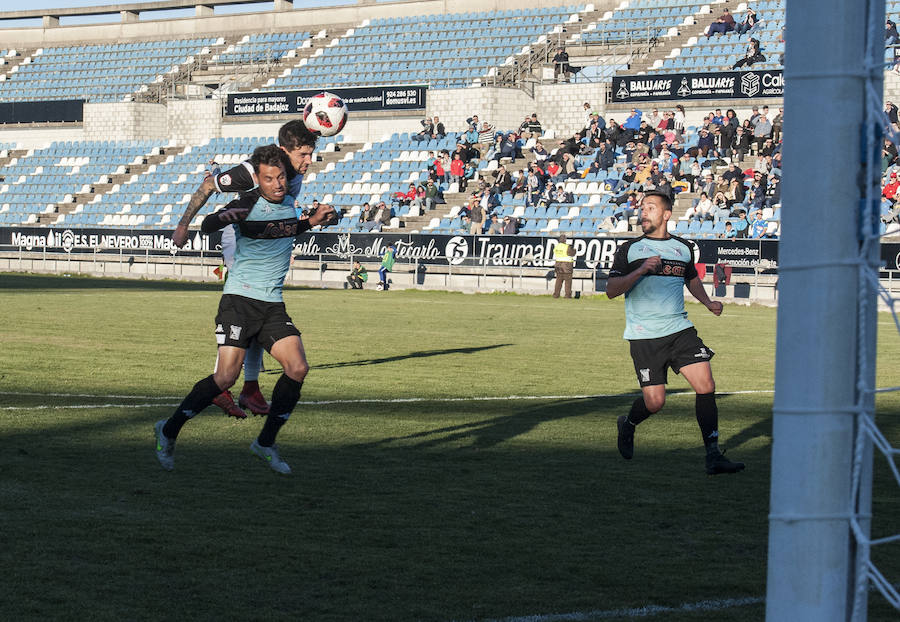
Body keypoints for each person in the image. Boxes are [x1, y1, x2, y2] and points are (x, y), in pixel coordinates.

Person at [155, 145, 337, 474]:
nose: (278, 184)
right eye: (269, 179)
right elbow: (211, 224)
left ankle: (265, 443)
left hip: (272, 304)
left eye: (281, 176)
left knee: (297, 368)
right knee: (225, 377)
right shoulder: (246, 204)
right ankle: (167, 431)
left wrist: (314, 220)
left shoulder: (289, 205)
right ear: (258, 180)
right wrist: (224, 216)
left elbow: (287, 229)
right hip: (239, 301)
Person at [606, 190, 744, 475]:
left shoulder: (682, 248)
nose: (644, 212)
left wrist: (707, 303)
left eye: (651, 207)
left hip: (680, 330)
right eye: (642, 208)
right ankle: (628, 424)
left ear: (667, 214)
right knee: (655, 403)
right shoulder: (630, 250)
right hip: (645, 336)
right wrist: (642, 270)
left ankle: (713, 455)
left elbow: (690, 278)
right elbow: (611, 291)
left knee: (706, 384)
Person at [172, 120, 314, 248]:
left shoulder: (295, 168)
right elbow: (208, 185)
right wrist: (183, 226)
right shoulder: (256, 169)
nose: (309, 161)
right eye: (303, 155)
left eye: (311, 154)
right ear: (284, 151)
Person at [552, 233, 576, 299]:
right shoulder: (567, 247)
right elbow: (572, 253)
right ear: (565, 240)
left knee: (558, 282)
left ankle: (556, 295)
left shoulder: (556, 247)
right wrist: (574, 249)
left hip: (558, 266)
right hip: (567, 266)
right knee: (568, 282)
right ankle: (567, 295)